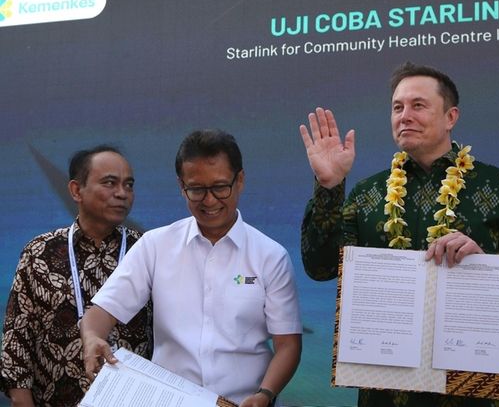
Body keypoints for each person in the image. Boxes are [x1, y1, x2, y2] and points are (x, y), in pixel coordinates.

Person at [299, 62, 499, 407]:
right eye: (397, 107)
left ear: (451, 117)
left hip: (471, 390)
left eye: (418, 105)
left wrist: (489, 266)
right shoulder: (367, 193)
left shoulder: (494, 184)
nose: (404, 115)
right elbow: (320, 268)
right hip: (386, 392)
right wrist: (329, 187)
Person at [80, 130, 302, 407]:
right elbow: (101, 311)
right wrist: (91, 338)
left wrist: (265, 395)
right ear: (181, 185)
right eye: (196, 189)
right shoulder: (156, 246)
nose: (209, 201)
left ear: (240, 180)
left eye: (220, 187)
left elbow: (288, 345)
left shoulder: (270, 256)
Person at [0, 146, 152, 407]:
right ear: (75, 190)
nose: (122, 194)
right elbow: (17, 343)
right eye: (109, 183)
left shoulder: (148, 250)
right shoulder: (40, 253)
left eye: (128, 185)